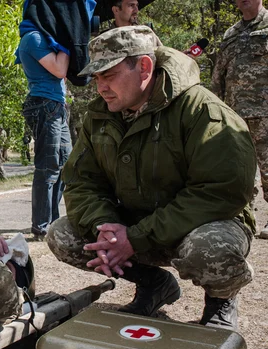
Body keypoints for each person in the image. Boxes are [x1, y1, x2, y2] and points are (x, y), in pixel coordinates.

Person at [46, 26, 256, 331]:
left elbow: (220, 193)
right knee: (63, 235)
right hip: (141, 226)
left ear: (144, 67)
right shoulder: (100, 116)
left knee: (209, 249)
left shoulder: (202, 111)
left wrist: (136, 237)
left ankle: (221, 300)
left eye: (109, 75)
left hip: (205, 224)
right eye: (97, 78)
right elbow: (82, 182)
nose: (100, 87)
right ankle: (155, 284)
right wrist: (104, 227)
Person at [212, 0, 268, 239]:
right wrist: (215, 108)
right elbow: (219, 75)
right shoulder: (231, 33)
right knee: (240, 169)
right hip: (236, 115)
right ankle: (245, 220)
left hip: (265, 112)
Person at [17, 12, 73, 239]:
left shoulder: (47, 41)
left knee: (66, 164)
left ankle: (52, 220)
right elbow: (60, 70)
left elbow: (63, 74)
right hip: (43, 105)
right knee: (47, 168)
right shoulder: (33, 38)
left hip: (56, 106)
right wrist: (69, 40)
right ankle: (41, 226)